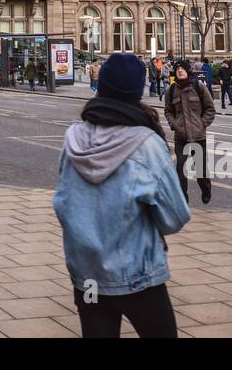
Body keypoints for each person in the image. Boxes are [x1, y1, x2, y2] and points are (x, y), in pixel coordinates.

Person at [53, 52, 190, 338]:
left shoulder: (73, 138)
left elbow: (64, 203)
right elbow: (174, 217)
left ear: (101, 87)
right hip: (137, 275)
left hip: (86, 273)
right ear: (137, 91)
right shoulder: (147, 144)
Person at [164, 59, 216, 205]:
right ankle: (182, 198)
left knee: (200, 170)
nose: (179, 70)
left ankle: (206, 190)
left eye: (182, 68)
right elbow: (168, 111)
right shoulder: (171, 91)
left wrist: (202, 124)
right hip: (181, 136)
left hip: (198, 136)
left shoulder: (199, 87)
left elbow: (210, 109)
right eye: (177, 69)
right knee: (180, 169)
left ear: (188, 70)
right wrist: (174, 124)